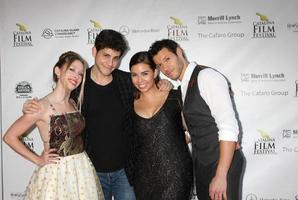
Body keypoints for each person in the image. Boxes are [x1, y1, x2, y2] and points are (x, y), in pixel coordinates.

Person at [22, 29, 171, 200]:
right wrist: (28, 106)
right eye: (106, 56)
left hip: (125, 171)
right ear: (94, 51)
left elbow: (148, 93)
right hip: (90, 171)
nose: (110, 63)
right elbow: (55, 104)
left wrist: (163, 83)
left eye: (116, 58)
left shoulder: (126, 80)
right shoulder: (77, 83)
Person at [148, 39, 245, 200]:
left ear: (179, 52)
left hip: (221, 165)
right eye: (159, 65)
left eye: (167, 59)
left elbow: (228, 126)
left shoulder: (206, 76)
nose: (165, 68)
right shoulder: (182, 88)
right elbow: (196, 126)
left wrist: (221, 175)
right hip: (202, 164)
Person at [3, 51, 104, 200]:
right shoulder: (40, 106)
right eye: (71, 70)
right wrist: (38, 159)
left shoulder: (73, 103)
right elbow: (9, 137)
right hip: (56, 174)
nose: (76, 76)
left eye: (80, 74)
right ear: (58, 71)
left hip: (81, 171)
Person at [129, 51, 193, 200]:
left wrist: (184, 138)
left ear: (155, 72)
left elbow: (195, 128)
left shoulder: (175, 97)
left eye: (145, 73)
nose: (140, 80)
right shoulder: (128, 105)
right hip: (143, 177)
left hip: (176, 173)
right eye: (134, 75)